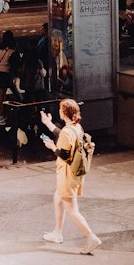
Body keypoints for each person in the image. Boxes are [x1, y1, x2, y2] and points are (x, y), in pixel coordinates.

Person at [39, 97, 101, 253]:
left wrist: (51, 146)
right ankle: (57, 232)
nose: (59, 111)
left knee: (72, 210)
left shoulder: (68, 131)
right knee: (57, 198)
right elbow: (63, 134)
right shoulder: (76, 127)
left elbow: (64, 155)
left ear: (64, 112)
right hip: (73, 173)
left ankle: (91, 238)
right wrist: (48, 123)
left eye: (60, 109)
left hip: (67, 174)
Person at [0, 30, 21, 126]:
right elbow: (14, 65)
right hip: (4, 75)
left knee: (0, 96)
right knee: (0, 97)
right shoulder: (12, 51)